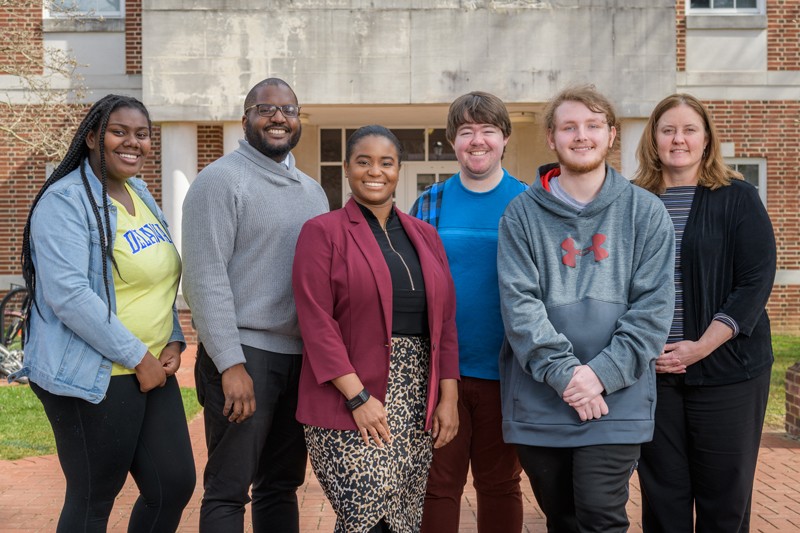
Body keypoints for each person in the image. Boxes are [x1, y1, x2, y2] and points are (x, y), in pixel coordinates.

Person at [13, 94, 195, 532]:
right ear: (93, 136)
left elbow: (157, 274)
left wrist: (172, 334)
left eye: (142, 134)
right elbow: (70, 295)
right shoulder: (65, 200)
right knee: (95, 496)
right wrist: (138, 356)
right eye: (119, 132)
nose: (132, 142)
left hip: (150, 368)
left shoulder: (138, 191)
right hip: (93, 375)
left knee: (173, 484)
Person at [497, 85, 675, 533]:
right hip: (541, 396)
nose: (582, 135)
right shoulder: (520, 215)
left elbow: (652, 311)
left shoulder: (646, 212)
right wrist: (567, 375)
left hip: (617, 395)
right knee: (561, 517)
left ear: (611, 135)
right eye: (569, 126)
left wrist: (598, 376)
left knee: (601, 514)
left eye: (593, 125)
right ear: (551, 138)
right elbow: (520, 307)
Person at [293, 125, 460, 533]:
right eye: (363, 161)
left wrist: (448, 398)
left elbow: (446, 324)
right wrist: (359, 398)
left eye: (386, 162)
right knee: (365, 520)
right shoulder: (323, 232)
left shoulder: (426, 236)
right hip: (347, 397)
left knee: (401, 521)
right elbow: (316, 322)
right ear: (347, 168)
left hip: (415, 399)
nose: (375, 171)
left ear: (398, 169)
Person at [182, 78, 328, 532]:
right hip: (244, 355)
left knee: (280, 485)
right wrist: (229, 363)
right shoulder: (220, 181)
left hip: (298, 359)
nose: (278, 117)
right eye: (265, 108)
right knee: (229, 488)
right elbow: (204, 279)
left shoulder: (312, 192)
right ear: (245, 118)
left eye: (288, 109)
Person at [634, 94, 776, 533]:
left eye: (689, 129)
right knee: (664, 501)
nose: (679, 139)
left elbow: (754, 283)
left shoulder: (738, 197)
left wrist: (700, 347)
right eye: (668, 130)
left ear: (707, 138)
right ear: (653, 139)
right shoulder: (633, 201)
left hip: (729, 373)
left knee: (724, 501)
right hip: (653, 372)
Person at [411, 91, 525, 532]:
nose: (477, 141)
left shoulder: (530, 202)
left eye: (488, 131)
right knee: (439, 485)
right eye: (466, 132)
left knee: (500, 484)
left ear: (505, 139)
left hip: (510, 370)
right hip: (443, 374)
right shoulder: (429, 203)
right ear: (453, 142)